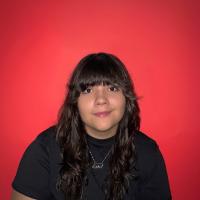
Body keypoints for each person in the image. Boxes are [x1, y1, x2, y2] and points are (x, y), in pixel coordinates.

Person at [11, 52, 172, 200]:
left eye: (112, 88)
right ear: (75, 101)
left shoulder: (147, 151)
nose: (101, 99)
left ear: (126, 98)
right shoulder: (45, 149)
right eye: (88, 90)